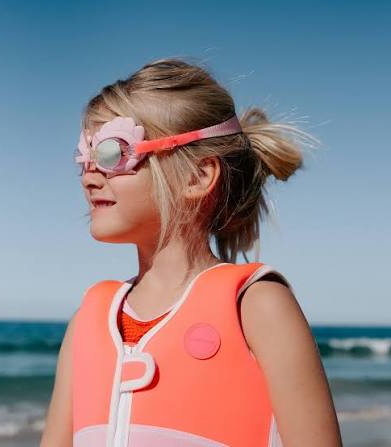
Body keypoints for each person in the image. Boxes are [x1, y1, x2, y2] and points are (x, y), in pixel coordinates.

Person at [41, 58, 343, 447]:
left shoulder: (256, 305)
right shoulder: (88, 321)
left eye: (111, 154)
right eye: (84, 156)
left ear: (198, 176)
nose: (88, 176)